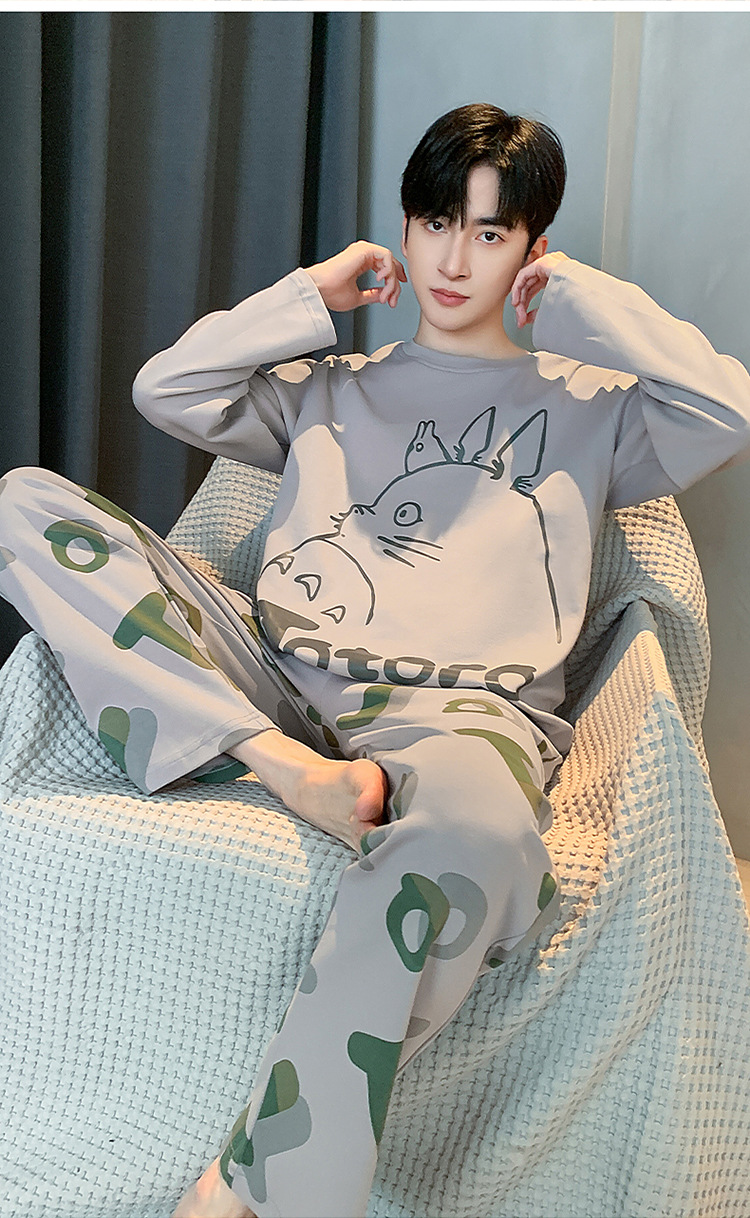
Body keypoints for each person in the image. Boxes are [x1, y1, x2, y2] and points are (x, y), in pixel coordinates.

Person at [2, 103, 750, 1218]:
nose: (452, 260)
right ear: (404, 226)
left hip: (461, 717)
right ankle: (279, 769)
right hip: (279, 685)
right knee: (25, 504)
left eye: (490, 233)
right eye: (436, 221)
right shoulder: (330, 387)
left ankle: (259, 1187)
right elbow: (167, 388)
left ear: (532, 249)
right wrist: (311, 296)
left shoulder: (594, 413)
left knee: (483, 832)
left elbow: (726, 410)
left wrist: (583, 303)